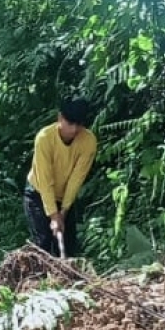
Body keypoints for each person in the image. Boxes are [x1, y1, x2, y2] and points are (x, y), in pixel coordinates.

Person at [23, 98, 97, 257]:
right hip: (38, 192)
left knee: (68, 245)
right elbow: (45, 181)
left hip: (64, 198)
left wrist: (62, 213)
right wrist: (53, 216)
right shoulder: (44, 139)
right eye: (70, 123)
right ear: (60, 118)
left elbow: (76, 179)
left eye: (79, 124)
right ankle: (39, 280)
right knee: (43, 241)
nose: (74, 129)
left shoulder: (89, 141)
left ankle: (65, 279)